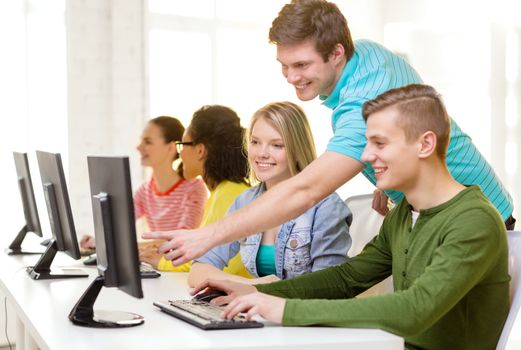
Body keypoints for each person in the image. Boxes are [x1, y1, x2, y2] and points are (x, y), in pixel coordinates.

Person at [143, 0, 514, 266]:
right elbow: (409, 123)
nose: (291, 78)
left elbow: (307, 189)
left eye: (301, 65)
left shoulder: (361, 103)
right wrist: (387, 181)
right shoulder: (365, 53)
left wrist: (209, 235)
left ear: (337, 53)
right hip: (434, 212)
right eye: (284, 66)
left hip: (478, 217)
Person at [193, 84, 510, 350]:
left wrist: (284, 308)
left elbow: (414, 309)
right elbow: (346, 278)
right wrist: (258, 293)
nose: (366, 156)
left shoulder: (474, 220)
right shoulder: (403, 216)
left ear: (425, 144)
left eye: (379, 143)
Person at [188, 101, 352, 287]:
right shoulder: (245, 200)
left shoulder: (326, 205)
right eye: (255, 142)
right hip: (261, 310)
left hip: (306, 313)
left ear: (297, 149)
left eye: (277, 145)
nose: (261, 153)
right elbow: (198, 271)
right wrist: (254, 287)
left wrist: (266, 292)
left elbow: (328, 287)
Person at [140, 105, 252, 277]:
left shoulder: (229, 195)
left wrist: (162, 262)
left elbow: (212, 264)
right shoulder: (222, 192)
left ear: (200, 150)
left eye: (182, 145)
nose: (181, 154)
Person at [80, 116, 207, 259]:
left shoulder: (194, 189)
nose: (139, 147)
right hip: (158, 266)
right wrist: (99, 240)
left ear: (171, 147)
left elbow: (180, 241)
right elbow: (120, 224)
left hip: (181, 269)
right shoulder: (145, 191)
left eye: (148, 142)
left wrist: (114, 245)